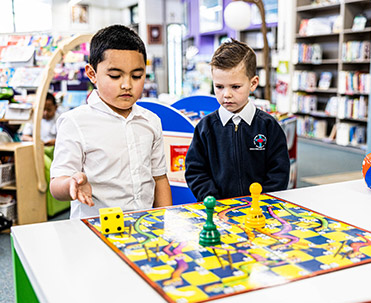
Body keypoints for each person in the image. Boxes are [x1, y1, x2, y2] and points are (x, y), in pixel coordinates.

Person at [50, 25, 170, 220]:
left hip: (146, 228)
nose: (127, 85)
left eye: (137, 76)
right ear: (92, 74)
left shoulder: (150, 121)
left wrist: (165, 221)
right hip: (94, 231)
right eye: (115, 76)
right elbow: (56, 185)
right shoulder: (75, 122)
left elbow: (159, 178)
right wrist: (70, 184)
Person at [184, 40, 290, 201]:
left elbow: (279, 171)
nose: (226, 94)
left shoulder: (268, 126)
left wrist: (262, 201)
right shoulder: (205, 128)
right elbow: (195, 170)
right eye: (219, 87)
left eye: (235, 87)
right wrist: (213, 199)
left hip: (260, 212)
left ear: (253, 83)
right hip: (218, 211)